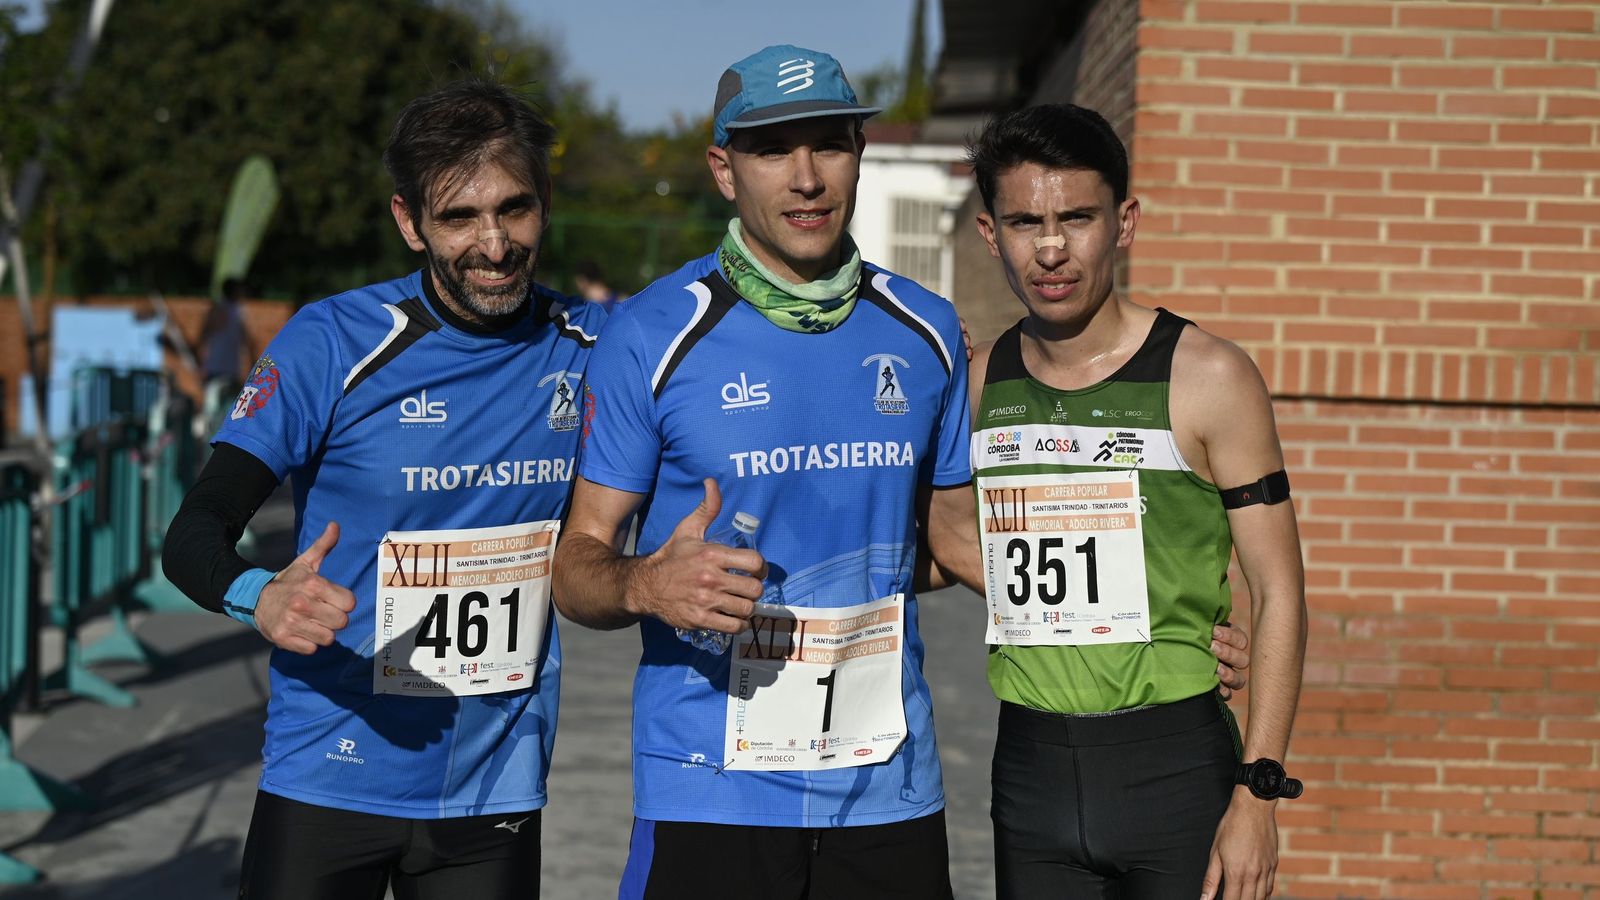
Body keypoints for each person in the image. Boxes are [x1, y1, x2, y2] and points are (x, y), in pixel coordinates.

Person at [161, 78, 605, 900]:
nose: (495, 244)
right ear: (409, 223)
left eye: (515, 208)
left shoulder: (594, 347)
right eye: (459, 217)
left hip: (493, 791)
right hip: (328, 772)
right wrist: (258, 596)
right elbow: (193, 532)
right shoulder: (333, 341)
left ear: (544, 201)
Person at [551, 44, 974, 900]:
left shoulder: (927, 332)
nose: (808, 177)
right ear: (723, 168)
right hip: (712, 791)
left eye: (831, 144)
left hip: (884, 788)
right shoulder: (652, 333)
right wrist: (644, 585)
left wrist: (1155, 607)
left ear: (862, 154)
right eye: (773, 149)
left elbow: (958, 544)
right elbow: (575, 566)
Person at [944, 104, 1307, 900]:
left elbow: (1279, 590)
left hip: (1177, 771)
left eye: (1077, 218)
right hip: (1031, 774)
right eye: (1024, 222)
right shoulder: (973, 385)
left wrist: (1259, 790)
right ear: (988, 233)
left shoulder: (1210, 374)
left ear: (1125, 221)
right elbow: (950, 546)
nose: (1050, 248)